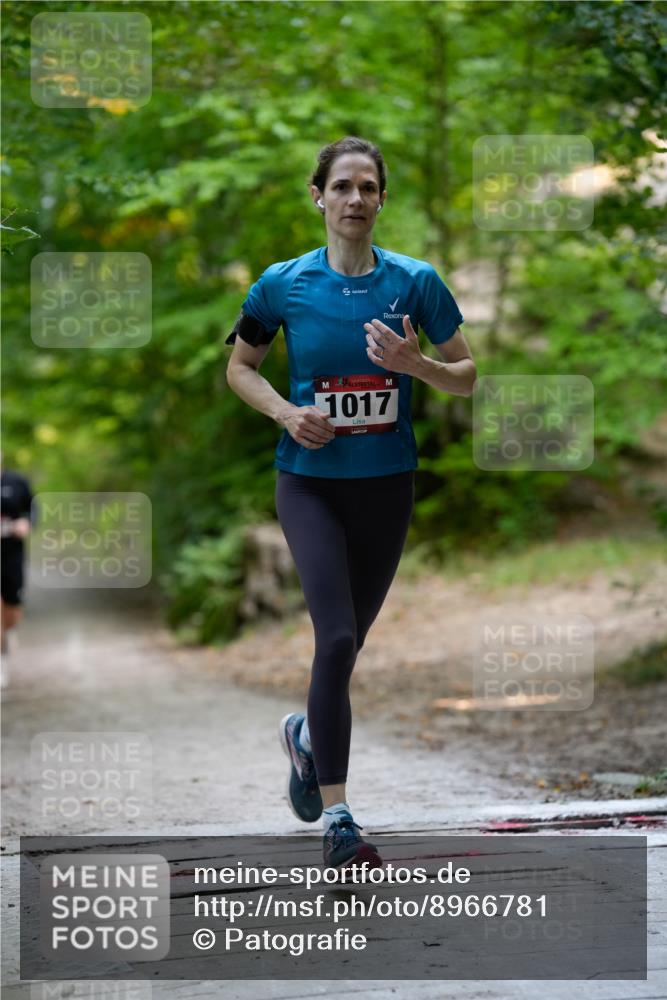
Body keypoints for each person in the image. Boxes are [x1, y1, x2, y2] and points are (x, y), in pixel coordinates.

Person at [225, 136, 476, 869]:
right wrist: (284, 412)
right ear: (318, 197)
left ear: (381, 200)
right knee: (333, 639)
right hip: (307, 483)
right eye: (342, 186)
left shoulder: (416, 282)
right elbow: (241, 368)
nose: (355, 199)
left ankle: (306, 737)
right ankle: (338, 819)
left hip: (385, 485)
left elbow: (466, 375)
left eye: (368, 187)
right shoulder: (282, 285)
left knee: (349, 644)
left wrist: (414, 364)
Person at [1, 454, 35, 688]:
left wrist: (26, 522)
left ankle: (10, 631)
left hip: (11, 553)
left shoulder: (16, 482)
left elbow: (33, 507)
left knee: (11, 607)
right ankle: (1, 661)